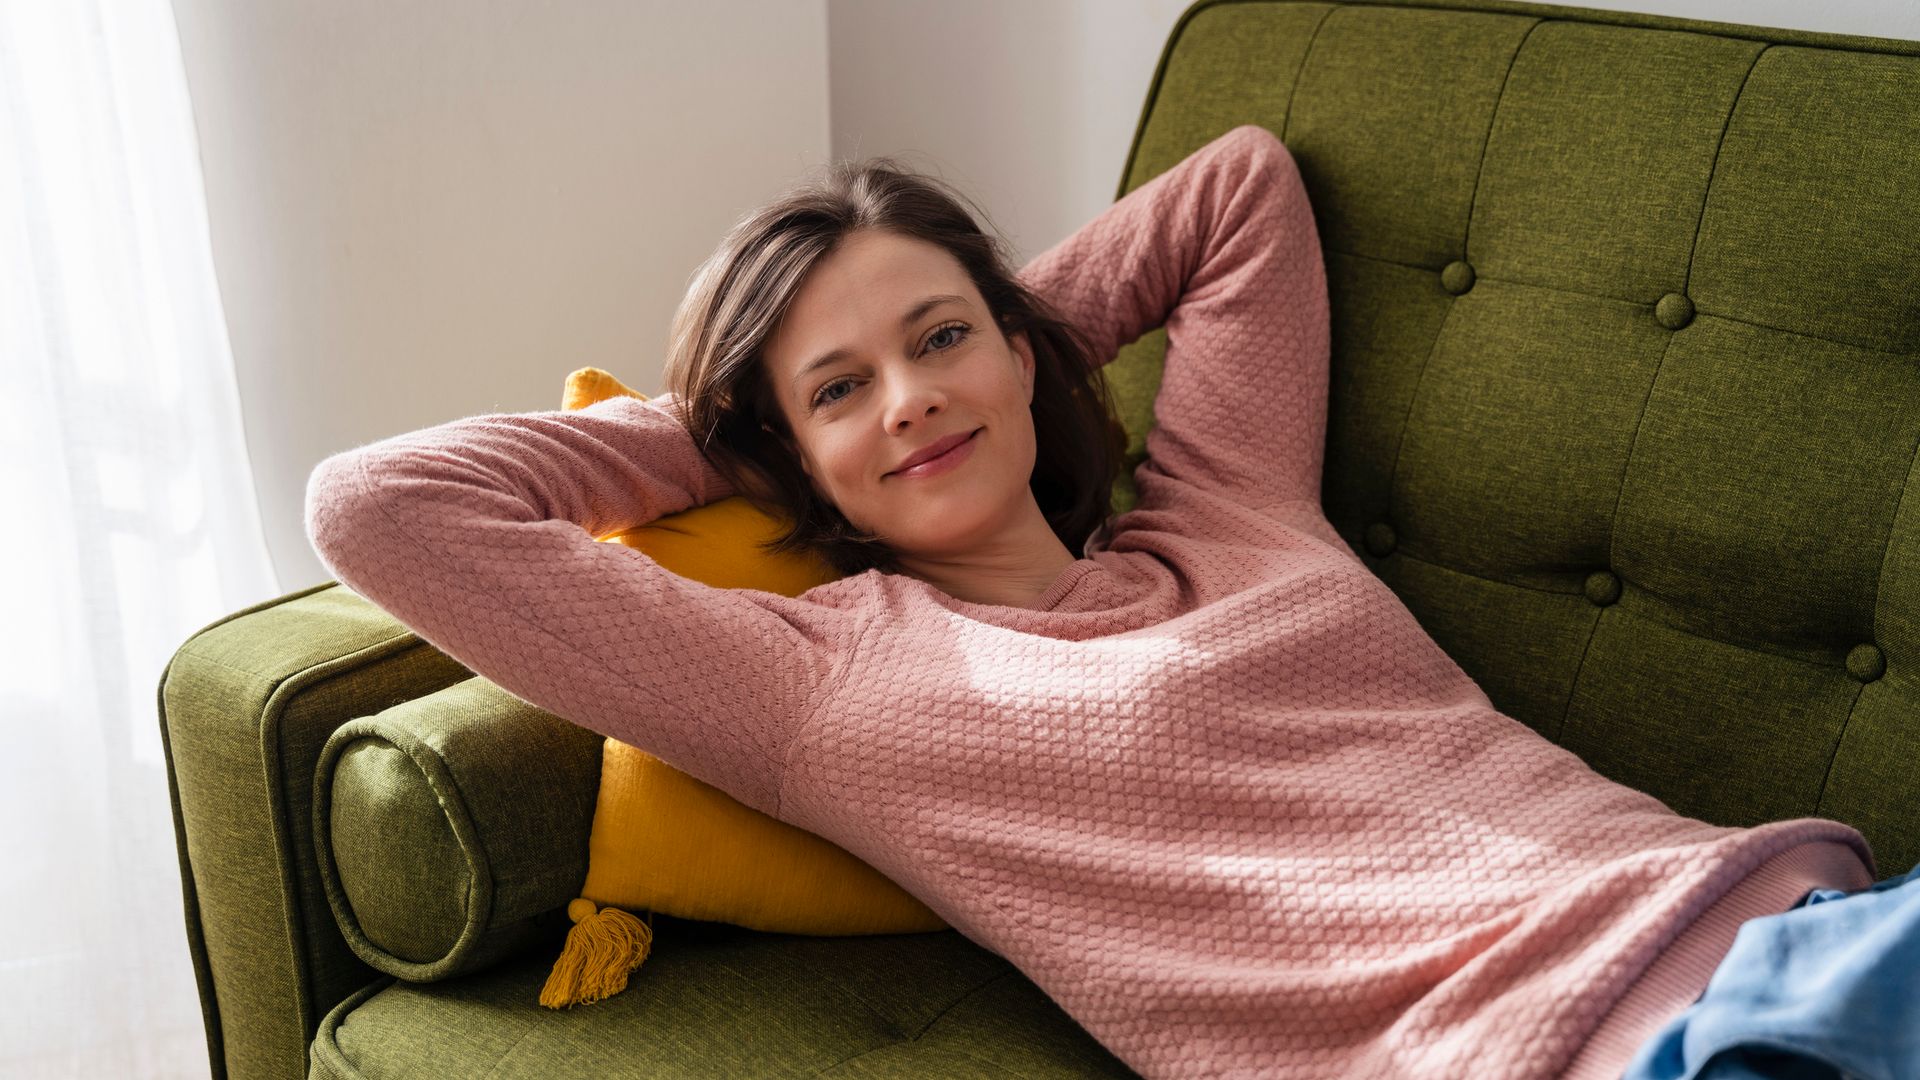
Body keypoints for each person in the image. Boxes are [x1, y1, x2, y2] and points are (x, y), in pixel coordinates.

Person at [304, 124, 1917, 1079]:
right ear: (778, 448)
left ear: (1024, 350)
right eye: (841, 389)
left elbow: (1236, 192)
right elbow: (381, 507)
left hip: (1795, 935)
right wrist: (730, 437)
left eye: (943, 340)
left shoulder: (1228, 512)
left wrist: (976, 335)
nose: (914, 403)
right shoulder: (821, 684)